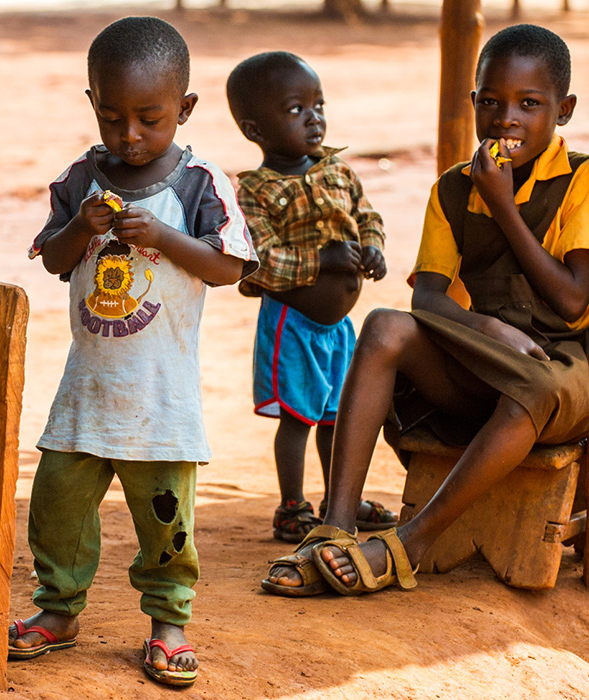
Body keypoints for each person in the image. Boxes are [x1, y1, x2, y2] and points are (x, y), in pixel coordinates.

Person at [264, 23, 589, 597]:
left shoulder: (582, 179)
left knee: (532, 388)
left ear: (563, 110)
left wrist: (503, 205)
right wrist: (487, 327)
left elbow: (572, 301)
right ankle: (334, 527)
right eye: (491, 102)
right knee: (384, 326)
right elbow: (428, 298)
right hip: (488, 358)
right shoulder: (453, 189)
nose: (506, 119)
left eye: (529, 104)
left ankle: (408, 543)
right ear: (474, 102)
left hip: (565, 370)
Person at [9, 16, 257, 687]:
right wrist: (79, 226)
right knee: (57, 508)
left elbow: (229, 268)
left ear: (185, 107)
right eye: (112, 117)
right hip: (87, 389)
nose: (129, 135)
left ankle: (169, 620)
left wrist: (166, 238)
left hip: (160, 397)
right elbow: (54, 260)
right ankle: (57, 609)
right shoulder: (80, 178)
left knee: (166, 521)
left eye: (150, 119)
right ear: (93, 102)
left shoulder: (200, 183)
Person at [225, 52, 397, 558]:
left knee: (337, 417)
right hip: (293, 324)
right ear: (255, 130)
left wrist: (373, 248)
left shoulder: (338, 171)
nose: (314, 118)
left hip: (338, 328)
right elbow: (259, 260)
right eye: (296, 109)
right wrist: (321, 260)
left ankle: (341, 500)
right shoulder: (254, 191)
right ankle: (292, 505)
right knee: (298, 418)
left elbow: (367, 217)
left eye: (318, 105)